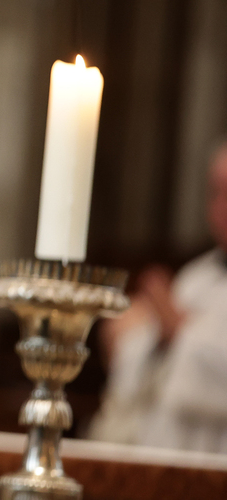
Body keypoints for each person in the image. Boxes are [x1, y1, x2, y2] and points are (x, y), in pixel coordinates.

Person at [90, 142, 227, 453]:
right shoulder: (197, 276)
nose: (221, 207)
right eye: (215, 193)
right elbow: (140, 367)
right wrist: (130, 336)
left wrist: (176, 327)